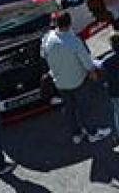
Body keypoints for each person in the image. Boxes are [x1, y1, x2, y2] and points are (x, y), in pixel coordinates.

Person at [41, 11, 110, 145]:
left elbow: (43, 55)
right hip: (78, 81)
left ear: (56, 23)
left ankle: (76, 134)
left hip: (60, 82)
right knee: (84, 108)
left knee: (70, 109)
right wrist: (93, 73)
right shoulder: (74, 41)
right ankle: (92, 133)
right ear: (70, 23)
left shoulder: (47, 38)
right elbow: (87, 63)